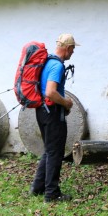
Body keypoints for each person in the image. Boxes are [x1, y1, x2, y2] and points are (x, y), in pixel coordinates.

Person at [30, 33, 79, 202]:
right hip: (52, 114)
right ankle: (52, 193)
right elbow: (50, 92)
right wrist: (66, 103)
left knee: (49, 150)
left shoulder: (48, 62)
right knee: (56, 153)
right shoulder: (57, 66)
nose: (73, 52)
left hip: (42, 111)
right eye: (72, 49)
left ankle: (37, 188)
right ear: (66, 48)